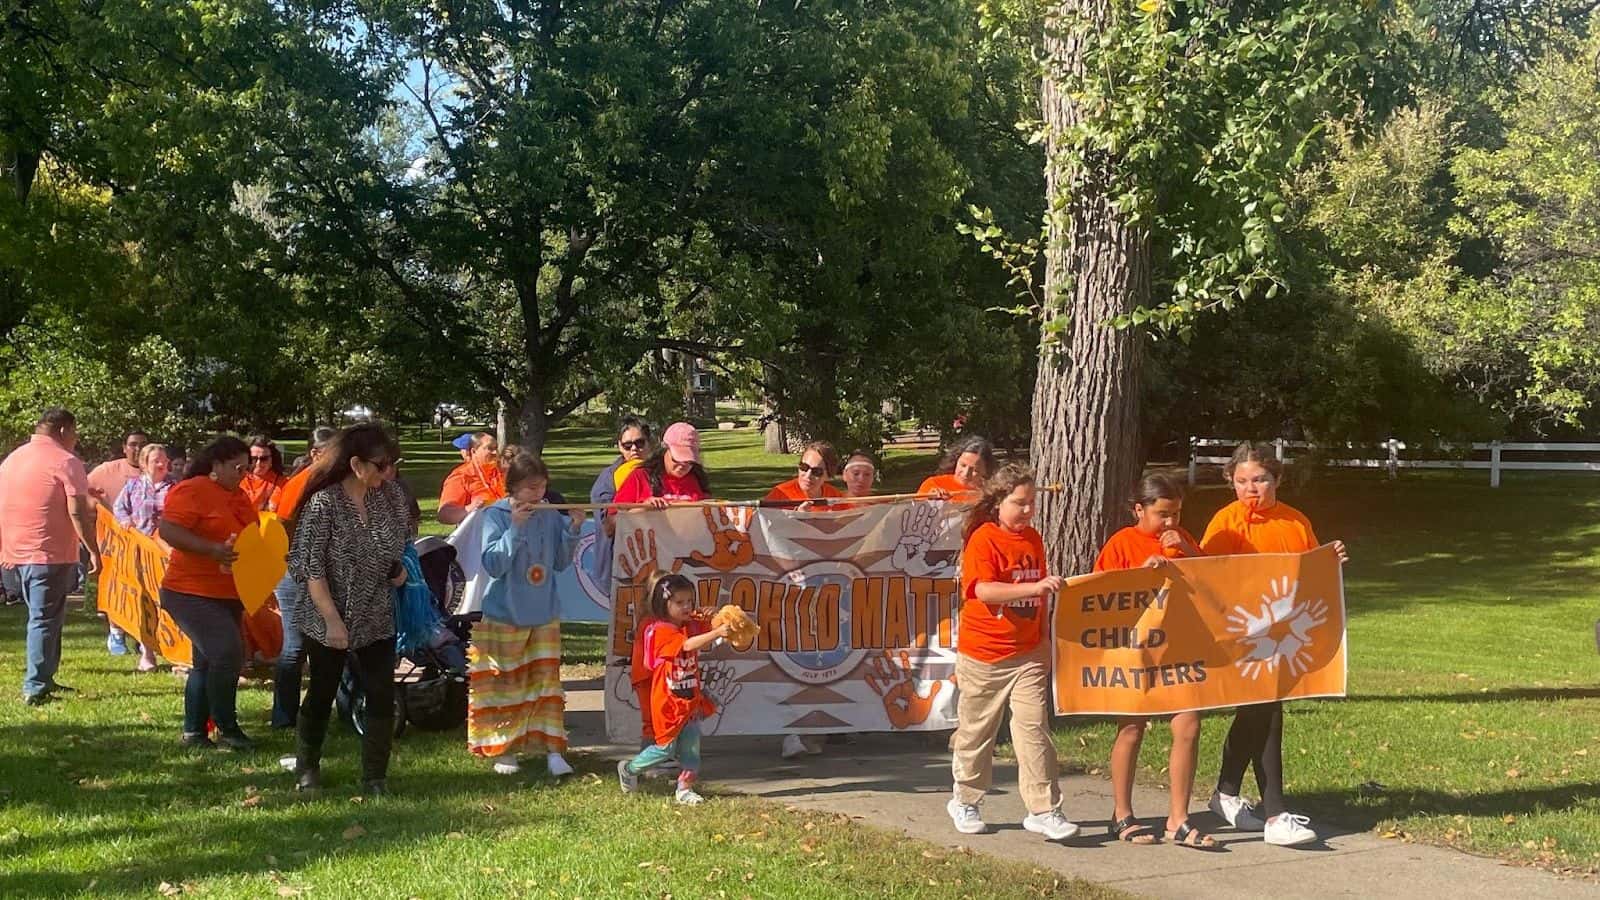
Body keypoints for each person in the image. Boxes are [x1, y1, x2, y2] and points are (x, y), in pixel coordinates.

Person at [1202, 442, 1348, 848]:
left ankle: (1226, 794)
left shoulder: (1295, 522)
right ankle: (1275, 814)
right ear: (1231, 483)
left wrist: (1330, 558)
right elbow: (1210, 579)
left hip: (1283, 641)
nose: (1252, 488)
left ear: (1277, 480)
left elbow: (1311, 571)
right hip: (1243, 638)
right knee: (1266, 715)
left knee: (1258, 714)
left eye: (1261, 479)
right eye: (1242, 481)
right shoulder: (1225, 523)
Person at [946, 463, 1077, 841]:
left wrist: (1044, 643)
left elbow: (1039, 595)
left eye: (1032, 503)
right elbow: (983, 591)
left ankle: (1044, 809)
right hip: (984, 654)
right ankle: (965, 799)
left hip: (1029, 654)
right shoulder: (983, 539)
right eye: (1020, 503)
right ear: (998, 502)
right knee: (977, 731)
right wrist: (1033, 590)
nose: (1028, 511)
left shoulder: (1033, 539)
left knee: (1034, 729)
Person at [287, 424, 410, 795]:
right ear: (356, 464)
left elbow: (400, 545)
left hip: (375, 610)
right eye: (382, 464)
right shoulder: (323, 504)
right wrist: (331, 621)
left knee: (380, 691)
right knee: (323, 691)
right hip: (326, 610)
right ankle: (307, 768)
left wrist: (399, 570)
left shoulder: (390, 499)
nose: (389, 472)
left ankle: (375, 777)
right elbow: (310, 568)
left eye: (393, 464)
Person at [1093, 474, 1211, 848]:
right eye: (1162, 514)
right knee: (1131, 728)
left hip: (1179, 648)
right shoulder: (1122, 543)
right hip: (1136, 648)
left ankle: (1178, 819)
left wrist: (1188, 553)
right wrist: (1139, 575)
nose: (1170, 522)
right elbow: (1098, 595)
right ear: (1138, 509)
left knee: (1189, 725)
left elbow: (1214, 579)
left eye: (1176, 513)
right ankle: (1122, 814)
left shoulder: (1184, 539)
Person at [470, 453, 586, 777]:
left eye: (543, 487)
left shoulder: (550, 515)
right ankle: (506, 750)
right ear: (514, 489)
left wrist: (573, 528)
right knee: (506, 684)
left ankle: (551, 750)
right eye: (531, 489)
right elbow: (493, 564)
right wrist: (515, 529)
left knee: (546, 684)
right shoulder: (496, 514)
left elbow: (561, 562)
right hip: (504, 613)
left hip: (544, 612)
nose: (539, 494)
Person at [611, 422, 712, 748]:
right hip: (650, 581)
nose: (684, 465)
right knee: (652, 663)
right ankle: (650, 741)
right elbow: (610, 522)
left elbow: (712, 521)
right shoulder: (640, 477)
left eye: (689, 459)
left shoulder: (697, 479)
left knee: (680, 666)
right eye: (678, 458)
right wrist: (642, 508)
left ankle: (679, 743)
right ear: (665, 449)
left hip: (685, 580)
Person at [156, 436, 256, 748]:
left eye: (246, 468)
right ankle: (227, 728)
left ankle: (194, 733)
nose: (242, 474)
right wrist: (211, 550)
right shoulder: (193, 490)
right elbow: (169, 530)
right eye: (236, 467)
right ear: (216, 465)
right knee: (228, 653)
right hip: (189, 591)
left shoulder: (239, 496)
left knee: (208, 662)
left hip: (228, 592)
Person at [0, 409, 100, 705]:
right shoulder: (66, 461)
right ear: (62, 431)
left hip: (15, 553)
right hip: (48, 553)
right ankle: (35, 685)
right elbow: (77, 511)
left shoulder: (13, 459)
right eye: (75, 432)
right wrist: (93, 549)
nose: (76, 439)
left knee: (49, 617)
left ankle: (46, 676)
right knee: (43, 619)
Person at [617, 572, 734, 806]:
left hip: (689, 700)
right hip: (667, 702)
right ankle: (629, 769)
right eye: (679, 602)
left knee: (691, 751)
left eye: (690, 601)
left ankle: (684, 789)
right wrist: (716, 633)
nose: (687, 607)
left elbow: (704, 629)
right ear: (663, 603)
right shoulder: (659, 629)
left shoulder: (687, 624)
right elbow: (688, 645)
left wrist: (715, 619)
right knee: (665, 749)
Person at [268, 425, 335, 729]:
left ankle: (318, 712)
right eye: (334, 451)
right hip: (296, 573)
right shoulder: (299, 484)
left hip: (330, 573)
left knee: (329, 646)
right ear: (315, 453)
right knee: (295, 648)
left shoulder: (338, 483)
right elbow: (282, 525)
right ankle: (283, 716)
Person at [112, 443, 176, 672]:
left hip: (167, 553)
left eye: (164, 460)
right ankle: (147, 652)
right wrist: (125, 520)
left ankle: (175, 651)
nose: (161, 465)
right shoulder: (133, 486)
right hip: (139, 554)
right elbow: (119, 509)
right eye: (156, 461)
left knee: (169, 601)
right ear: (144, 463)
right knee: (144, 600)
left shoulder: (175, 487)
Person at [88, 430, 148, 656]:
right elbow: (81, 493)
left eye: (142, 444)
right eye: (133, 444)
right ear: (124, 447)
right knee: (118, 590)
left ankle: (144, 636)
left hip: (145, 543)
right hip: (113, 543)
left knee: (144, 590)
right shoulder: (107, 470)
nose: (137, 449)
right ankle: (116, 633)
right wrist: (95, 508)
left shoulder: (155, 471)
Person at [588, 417, 652, 588]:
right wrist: (643, 509)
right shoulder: (607, 481)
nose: (634, 449)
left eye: (640, 443)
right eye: (627, 445)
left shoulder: (661, 472)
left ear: (649, 443)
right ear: (619, 446)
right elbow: (608, 527)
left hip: (658, 562)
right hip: (619, 565)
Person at [437, 432, 505, 525]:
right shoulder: (462, 476)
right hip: (479, 535)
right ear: (474, 451)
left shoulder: (504, 471)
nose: (495, 453)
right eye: (490, 448)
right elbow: (444, 515)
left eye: (496, 448)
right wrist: (469, 508)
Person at [763, 441, 844, 509]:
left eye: (816, 471)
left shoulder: (836, 498)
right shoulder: (780, 494)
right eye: (804, 467)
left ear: (828, 475)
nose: (808, 475)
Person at [918, 435, 996, 499]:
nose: (966, 473)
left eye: (975, 470)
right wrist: (929, 501)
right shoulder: (934, 484)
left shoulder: (990, 494)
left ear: (985, 471)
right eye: (963, 465)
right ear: (955, 461)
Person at [240, 436, 287, 512]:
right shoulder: (236, 478)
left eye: (264, 459)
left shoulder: (281, 482)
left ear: (272, 459)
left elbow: (273, 509)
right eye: (253, 458)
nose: (258, 463)